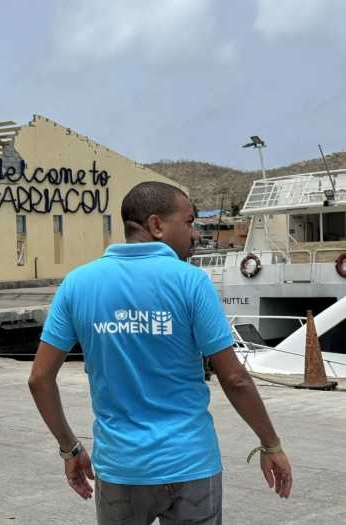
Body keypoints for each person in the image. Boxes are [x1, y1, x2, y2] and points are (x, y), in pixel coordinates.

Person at [29, 182, 292, 524]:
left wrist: (70, 448)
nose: (194, 234)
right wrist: (270, 444)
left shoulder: (77, 284)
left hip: (120, 467)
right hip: (190, 464)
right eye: (188, 222)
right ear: (156, 225)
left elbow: (39, 378)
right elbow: (235, 378)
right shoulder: (191, 282)